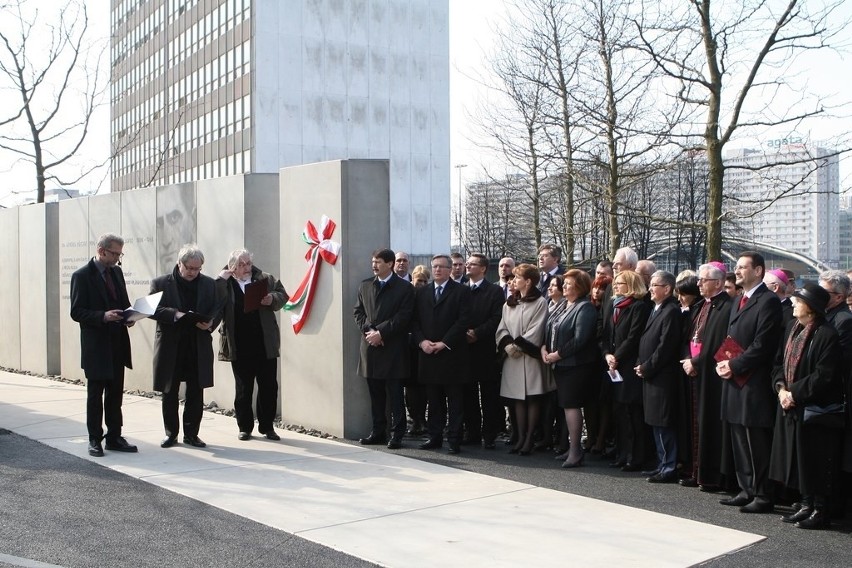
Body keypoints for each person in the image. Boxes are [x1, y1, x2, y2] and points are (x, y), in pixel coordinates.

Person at [769, 283, 843, 529]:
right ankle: (805, 503)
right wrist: (781, 388)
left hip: (813, 407)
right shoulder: (792, 328)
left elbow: (824, 375)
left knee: (816, 460)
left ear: (810, 307)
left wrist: (794, 393)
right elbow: (778, 362)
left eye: (797, 300)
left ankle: (819, 509)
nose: (792, 303)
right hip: (790, 403)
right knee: (798, 459)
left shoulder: (826, 334)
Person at [716, 251, 782, 513]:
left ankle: (763, 494)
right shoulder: (739, 300)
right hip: (734, 378)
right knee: (738, 436)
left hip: (753, 380)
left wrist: (733, 365)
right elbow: (732, 337)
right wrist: (723, 362)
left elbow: (762, 345)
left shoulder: (767, 301)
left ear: (759, 271)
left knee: (755, 440)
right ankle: (746, 488)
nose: (738, 271)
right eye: (737, 266)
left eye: (744, 267)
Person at [70, 233, 138, 457]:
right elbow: (77, 312)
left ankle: (114, 437)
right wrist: (103, 316)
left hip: (117, 343)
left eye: (120, 254)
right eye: (115, 253)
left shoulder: (117, 272)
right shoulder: (82, 276)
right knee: (95, 395)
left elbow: (124, 303)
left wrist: (131, 316)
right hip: (96, 346)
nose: (118, 259)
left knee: (115, 394)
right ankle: (94, 439)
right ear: (101, 251)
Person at [150, 244, 224, 449]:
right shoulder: (161, 283)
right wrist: (176, 314)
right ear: (179, 263)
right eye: (189, 268)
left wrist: (210, 324)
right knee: (169, 389)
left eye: (197, 268)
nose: (192, 272)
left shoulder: (209, 284)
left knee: (195, 390)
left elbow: (218, 308)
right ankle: (171, 433)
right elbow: (152, 310)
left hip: (197, 343)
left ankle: (192, 434)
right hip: (170, 344)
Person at [216, 249, 288, 441]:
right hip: (238, 343)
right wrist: (221, 280)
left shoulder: (264, 278)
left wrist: (271, 298)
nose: (246, 267)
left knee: (269, 387)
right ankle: (244, 427)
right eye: (241, 264)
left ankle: (267, 426)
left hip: (264, 342)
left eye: (248, 263)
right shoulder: (226, 283)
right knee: (243, 388)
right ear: (232, 266)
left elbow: (283, 295)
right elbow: (214, 301)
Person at [353, 248, 415, 449]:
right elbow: (358, 312)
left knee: (395, 395)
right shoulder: (365, 285)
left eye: (378, 261)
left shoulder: (404, 288)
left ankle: (397, 433)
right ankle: (378, 431)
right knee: (375, 394)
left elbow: (404, 316)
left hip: (393, 348)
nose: (374, 265)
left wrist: (381, 332)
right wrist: (370, 332)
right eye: (373, 261)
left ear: (389, 264)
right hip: (370, 347)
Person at [679, 263, 733, 490]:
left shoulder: (727, 307)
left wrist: (697, 362)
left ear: (718, 283)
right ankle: (696, 469)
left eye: (704, 280)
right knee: (694, 423)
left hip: (711, 375)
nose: (698, 283)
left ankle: (710, 475)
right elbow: (689, 337)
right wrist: (687, 360)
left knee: (709, 424)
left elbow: (720, 343)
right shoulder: (702, 305)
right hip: (693, 371)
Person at [412, 254, 471, 454]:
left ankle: (454, 439)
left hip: (451, 354)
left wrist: (444, 342)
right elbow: (415, 321)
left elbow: (463, 320)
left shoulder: (462, 291)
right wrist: (422, 342)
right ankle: (434, 437)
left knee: (454, 401)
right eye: (434, 266)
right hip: (428, 354)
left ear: (449, 270)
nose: (437, 270)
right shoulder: (422, 293)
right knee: (433, 400)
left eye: (441, 267)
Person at [542, 269, 600, 468]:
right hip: (559, 364)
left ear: (579, 286)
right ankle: (570, 447)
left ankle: (576, 451)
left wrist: (557, 354)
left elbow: (580, 339)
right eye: (564, 283)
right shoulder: (565, 305)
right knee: (566, 406)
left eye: (568, 283)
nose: (564, 286)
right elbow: (549, 327)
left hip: (575, 366)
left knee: (571, 405)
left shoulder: (585, 308)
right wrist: (544, 348)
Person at [497, 263, 552, 455]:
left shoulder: (540, 303)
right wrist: (507, 344)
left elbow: (537, 329)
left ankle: (530, 438)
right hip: (513, 359)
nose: (513, 281)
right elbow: (502, 327)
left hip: (529, 358)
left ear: (528, 281)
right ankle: (520, 437)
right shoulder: (509, 303)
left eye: (517, 278)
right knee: (517, 400)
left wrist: (518, 345)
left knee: (532, 398)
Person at [636, 271, 683, 483]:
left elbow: (666, 347)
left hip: (662, 377)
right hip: (650, 375)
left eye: (655, 285)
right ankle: (662, 463)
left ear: (667, 288)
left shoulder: (671, 311)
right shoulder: (657, 309)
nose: (650, 289)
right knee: (655, 422)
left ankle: (669, 466)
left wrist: (647, 366)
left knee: (663, 422)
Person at [603, 270, 652, 471]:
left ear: (631, 285)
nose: (616, 286)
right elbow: (607, 335)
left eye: (620, 283)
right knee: (619, 412)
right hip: (613, 365)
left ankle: (636, 456)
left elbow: (633, 337)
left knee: (633, 413)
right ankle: (622, 453)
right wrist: (607, 354)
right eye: (615, 283)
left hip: (628, 365)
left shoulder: (638, 307)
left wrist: (617, 356)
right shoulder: (614, 306)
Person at [461, 254, 505, 449]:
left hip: (486, 349)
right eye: (467, 263)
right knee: (467, 394)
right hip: (465, 349)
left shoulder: (494, 291)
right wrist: (463, 333)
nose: (468, 266)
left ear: (484, 268)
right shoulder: (461, 290)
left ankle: (489, 434)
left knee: (489, 395)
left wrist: (477, 333)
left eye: (473, 264)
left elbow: (497, 317)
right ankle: (472, 432)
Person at [405, 264, 431, 435]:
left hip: (422, 344)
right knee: (410, 386)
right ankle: (414, 419)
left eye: (423, 281)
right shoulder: (406, 295)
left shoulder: (428, 297)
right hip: (407, 346)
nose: (420, 284)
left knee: (423, 386)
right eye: (417, 280)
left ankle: (422, 418)